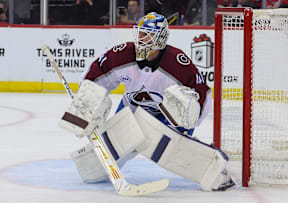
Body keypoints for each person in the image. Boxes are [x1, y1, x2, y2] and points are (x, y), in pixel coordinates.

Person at [59, 12, 236, 191]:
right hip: (131, 113)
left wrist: (189, 122)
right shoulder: (121, 56)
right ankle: (93, 169)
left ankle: (214, 172)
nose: (140, 38)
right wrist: (86, 109)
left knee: (173, 148)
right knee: (97, 166)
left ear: (159, 38)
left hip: (168, 120)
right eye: (139, 33)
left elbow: (202, 94)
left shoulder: (177, 64)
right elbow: (93, 80)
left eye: (146, 34)